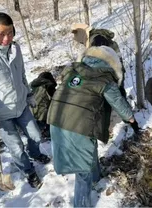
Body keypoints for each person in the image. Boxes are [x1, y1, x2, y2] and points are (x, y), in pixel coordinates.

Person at [47, 45, 139, 207]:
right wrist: (132, 120)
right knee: (83, 171)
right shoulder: (105, 79)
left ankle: (96, 177)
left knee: (89, 148)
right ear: (112, 64)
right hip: (78, 124)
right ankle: (81, 204)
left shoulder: (73, 71)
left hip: (56, 119)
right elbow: (118, 103)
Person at [0, 12, 50, 189]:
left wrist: (28, 95)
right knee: (17, 148)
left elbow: (21, 75)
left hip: (21, 106)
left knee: (35, 135)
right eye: (2, 34)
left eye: (10, 32)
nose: (7, 39)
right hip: (1, 116)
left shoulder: (15, 49)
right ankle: (28, 171)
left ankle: (34, 154)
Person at [71, 24, 127, 97]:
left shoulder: (97, 39)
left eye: (81, 42)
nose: (81, 43)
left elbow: (100, 63)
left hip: (111, 78)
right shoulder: (96, 38)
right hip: (112, 76)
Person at [30, 71, 57, 139]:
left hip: (30, 116)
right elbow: (56, 100)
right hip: (43, 118)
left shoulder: (31, 86)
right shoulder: (48, 85)